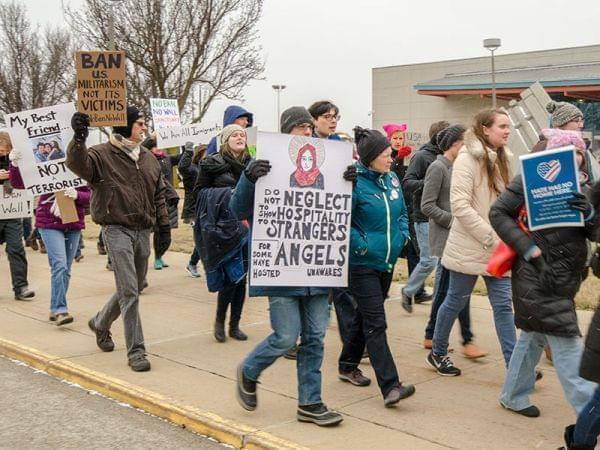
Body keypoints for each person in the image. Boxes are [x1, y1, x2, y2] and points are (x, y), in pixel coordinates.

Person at [231, 107, 346, 427]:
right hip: (283, 270)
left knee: (314, 338)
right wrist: (248, 178)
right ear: (285, 133)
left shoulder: (330, 169)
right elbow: (237, 209)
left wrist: (350, 183)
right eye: (300, 127)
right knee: (285, 337)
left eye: (310, 128)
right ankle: (249, 370)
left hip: (318, 271)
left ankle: (310, 402)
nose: (307, 133)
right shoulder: (266, 167)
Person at [490, 129, 597, 418]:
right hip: (537, 275)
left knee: (534, 335)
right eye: (568, 152)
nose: (575, 158)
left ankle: (512, 395)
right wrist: (529, 250)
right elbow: (498, 213)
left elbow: (595, 232)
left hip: (567, 278)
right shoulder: (528, 179)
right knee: (567, 343)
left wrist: (589, 214)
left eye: (579, 153)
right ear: (552, 156)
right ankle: (591, 416)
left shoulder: (585, 186)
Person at [67, 106, 170, 372]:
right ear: (124, 127)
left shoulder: (148, 158)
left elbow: (159, 194)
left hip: (143, 229)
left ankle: (100, 322)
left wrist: (164, 227)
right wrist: (79, 139)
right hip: (115, 228)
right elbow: (78, 165)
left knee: (137, 284)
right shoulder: (100, 154)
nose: (144, 128)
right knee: (128, 290)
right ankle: (136, 351)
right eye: (139, 124)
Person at [428, 109, 516, 376]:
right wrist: (490, 235)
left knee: (503, 305)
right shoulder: (467, 159)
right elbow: (460, 206)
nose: (507, 131)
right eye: (502, 126)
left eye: (508, 126)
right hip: (471, 244)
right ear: (485, 129)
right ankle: (438, 352)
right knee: (455, 300)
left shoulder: (505, 158)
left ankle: (515, 365)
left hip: (498, 247)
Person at [337, 126, 416, 406]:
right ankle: (391, 386)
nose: (390, 158)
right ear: (369, 157)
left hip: (387, 261)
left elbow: (403, 212)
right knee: (376, 322)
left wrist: (403, 235)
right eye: (384, 154)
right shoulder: (354, 182)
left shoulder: (392, 178)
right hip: (361, 263)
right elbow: (339, 221)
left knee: (364, 316)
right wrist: (360, 244)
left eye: (390, 153)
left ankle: (347, 365)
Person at [420, 125, 485, 358]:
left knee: (453, 290)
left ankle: (436, 335)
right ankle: (460, 339)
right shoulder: (438, 167)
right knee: (451, 291)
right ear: (455, 145)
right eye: (464, 144)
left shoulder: (460, 167)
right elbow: (426, 205)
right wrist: (454, 221)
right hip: (446, 236)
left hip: (460, 238)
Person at [10, 163, 90, 325]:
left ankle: (55, 307)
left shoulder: (78, 167)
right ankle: (60, 309)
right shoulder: (44, 167)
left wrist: (77, 195)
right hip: (49, 223)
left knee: (66, 269)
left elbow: (91, 195)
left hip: (72, 223)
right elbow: (19, 183)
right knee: (59, 265)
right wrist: (15, 165)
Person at [194, 124, 251, 342]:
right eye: (234, 135)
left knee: (242, 278)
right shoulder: (211, 163)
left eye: (242, 135)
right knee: (229, 277)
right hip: (223, 229)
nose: (239, 137)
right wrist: (228, 193)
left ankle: (234, 325)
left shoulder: (251, 164)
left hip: (245, 227)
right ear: (226, 140)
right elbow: (199, 193)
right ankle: (219, 321)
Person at [401, 120, 450, 312]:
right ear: (440, 138)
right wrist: (430, 183)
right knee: (429, 260)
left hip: (444, 216)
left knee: (443, 263)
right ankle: (408, 290)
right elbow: (407, 182)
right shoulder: (421, 156)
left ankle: (439, 303)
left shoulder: (448, 157)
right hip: (423, 216)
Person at [0, 131, 35, 301]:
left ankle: (21, 287)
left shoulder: (17, 160)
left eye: (6, 150)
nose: (4, 154)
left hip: (13, 214)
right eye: (1, 151)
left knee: (16, 249)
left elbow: (27, 180)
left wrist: (14, 168)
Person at [142, 136, 180, 270]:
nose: (159, 147)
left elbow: (183, 158)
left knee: (165, 233)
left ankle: (159, 255)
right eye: (155, 145)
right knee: (151, 231)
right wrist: (151, 138)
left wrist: (187, 145)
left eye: (160, 145)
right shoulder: (146, 158)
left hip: (168, 200)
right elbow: (142, 146)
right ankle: (149, 259)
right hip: (153, 200)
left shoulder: (168, 159)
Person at [178, 143, 205, 277]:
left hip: (206, 208)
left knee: (206, 237)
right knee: (202, 238)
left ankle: (196, 263)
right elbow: (182, 167)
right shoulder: (192, 169)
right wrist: (188, 151)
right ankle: (193, 263)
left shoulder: (209, 168)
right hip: (194, 210)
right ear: (200, 154)